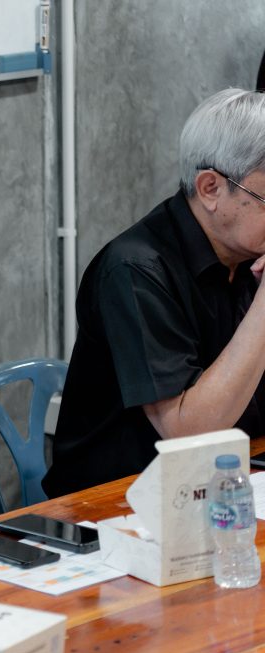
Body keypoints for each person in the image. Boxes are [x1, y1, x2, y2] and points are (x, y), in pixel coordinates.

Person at [45, 88, 265, 497]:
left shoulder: (245, 254)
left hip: (225, 481)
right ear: (211, 188)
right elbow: (188, 432)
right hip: (114, 503)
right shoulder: (135, 270)